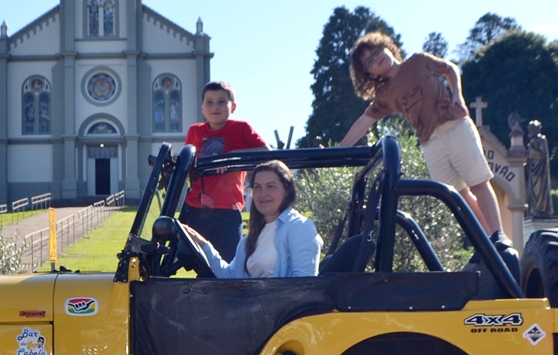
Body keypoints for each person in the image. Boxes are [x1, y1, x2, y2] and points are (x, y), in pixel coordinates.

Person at [339, 32, 503, 237]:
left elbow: (450, 68)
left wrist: (457, 94)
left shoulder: (418, 60)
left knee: (479, 183)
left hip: (455, 127)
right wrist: (340, 150)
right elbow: (364, 121)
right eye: (370, 61)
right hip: (430, 143)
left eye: (377, 51)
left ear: (387, 47)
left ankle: (498, 237)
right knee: (457, 197)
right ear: (370, 75)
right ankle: (487, 242)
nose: (377, 58)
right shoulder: (385, 95)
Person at [185, 160, 320, 279]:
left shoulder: (299, 227)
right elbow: (230, 277)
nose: (262, 194)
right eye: (257, 187)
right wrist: (202, 244)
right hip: (249, 299)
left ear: (287, 190)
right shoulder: (250, 238)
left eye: (271, 186)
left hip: (279, 301)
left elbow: (304, 285)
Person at [181, 81, 268, 259]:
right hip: (196, 207)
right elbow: (187, 163)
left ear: (233, 107)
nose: (215, 107)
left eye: (221, 102)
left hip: (228, 209)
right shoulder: (195, 131)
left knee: (230, 261)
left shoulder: (241, 129)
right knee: (190, 258)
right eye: (209, 102)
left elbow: (266, 152)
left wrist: (232, 156)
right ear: (202, 107)